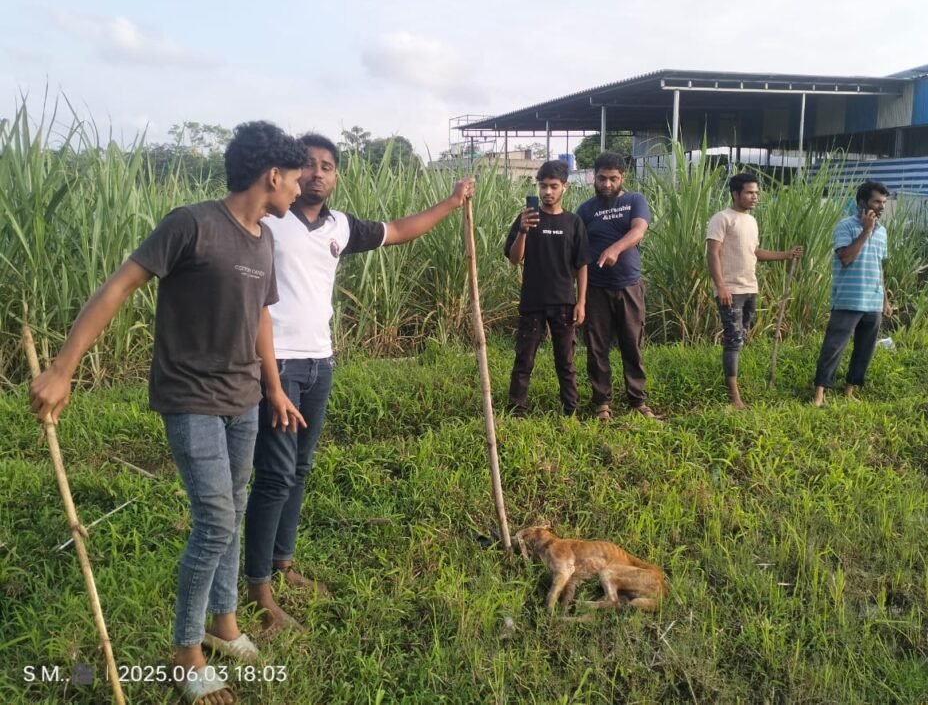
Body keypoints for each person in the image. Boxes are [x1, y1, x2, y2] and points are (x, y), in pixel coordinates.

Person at [29, 121, 307, 705]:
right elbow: (118, 287)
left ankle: (224, 621)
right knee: (214, 522)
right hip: (190, 400)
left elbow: (260, 316)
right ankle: (186, 652)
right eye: (297, 178)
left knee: (230, 512)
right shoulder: (193, 224)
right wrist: (62, 368)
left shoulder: (264, 240)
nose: (301, 189)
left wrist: (273, 388)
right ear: (272, 175)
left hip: (244, 401)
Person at [244, 132, 475, 631]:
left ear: (336, 175)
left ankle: (282, 562)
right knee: (276, 476)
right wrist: (268, 379)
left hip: (319, 364)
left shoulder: (340, 227)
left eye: (327, 166)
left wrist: (452, 202)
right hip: (276, 364)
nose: (317, 173)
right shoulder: (268, 219)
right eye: (308, 164)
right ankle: (258, 586)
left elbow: (399, 230)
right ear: (289, 171)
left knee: (300, 469)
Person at [706, 173, 802, 409]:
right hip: (731, 290)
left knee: (741, 335)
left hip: (750, 288)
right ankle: (734, 397)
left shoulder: (751, 221)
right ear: (735, 194)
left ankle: (733, 383)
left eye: (756, 192)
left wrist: (786, 255)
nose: (754, 197)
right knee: (733, 339)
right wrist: (721, 286)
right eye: (749, 192)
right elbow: (712, 253)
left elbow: (755, 252)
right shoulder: (722, 219)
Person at [504, 159, 589, 417]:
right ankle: (516, 410)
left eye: (553, 186)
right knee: (523, 360)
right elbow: (515, 259)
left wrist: (581, 301)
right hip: (533, 301)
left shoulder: (573, 223)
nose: (547, 192)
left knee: (565, 360)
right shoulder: (526, 219)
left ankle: (570, 410)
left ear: (565, 187)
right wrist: (523, 231)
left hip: (564, 301)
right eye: (543, 186)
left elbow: (582, 264)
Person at [575, 152, 655, 421]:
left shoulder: (635, 201)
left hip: (629, 285)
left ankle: (637, 400)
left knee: (632, 344)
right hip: (596, 289)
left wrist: (615, 249)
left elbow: (638, 231)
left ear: (623, 178)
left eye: (613, 179)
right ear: (593, 178)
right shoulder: (585, 210)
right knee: (597, 348)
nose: (607, 184)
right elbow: (577, 251)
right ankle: (601, 403)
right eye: (601, 178)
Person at [812, 180, 892, 407]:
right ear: (862, 203)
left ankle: (849, 389)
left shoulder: (883, 232)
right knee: (834, 346)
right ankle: (819, 393)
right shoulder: (845, 227)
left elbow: (879, 267)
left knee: (864, 349)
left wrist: (885, 299)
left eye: (884, 202)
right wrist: (866, 231)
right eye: (877, 201)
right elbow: (845, 258)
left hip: (873, 300)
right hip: (848, 299)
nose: (881, 207)